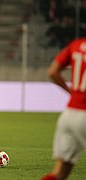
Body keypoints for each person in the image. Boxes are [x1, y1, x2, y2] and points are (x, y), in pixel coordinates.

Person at [41, 37, 86, 180]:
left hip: (69, 115)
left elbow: (53, 72)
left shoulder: (76, 44)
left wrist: (71, 91)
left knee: (60, 172)